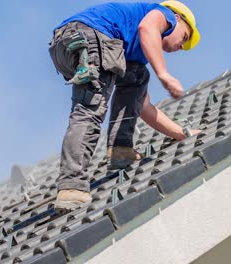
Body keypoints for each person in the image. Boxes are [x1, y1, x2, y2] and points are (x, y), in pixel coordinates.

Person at [48, 1, 201, 212]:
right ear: (177, 18)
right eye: (184, 37)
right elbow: (147, 27)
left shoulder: (133, 49)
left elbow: (143, 106)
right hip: (92, 37)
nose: (181, 46)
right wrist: (164, 73)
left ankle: (120, 149)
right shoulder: (164, 14)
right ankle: (72, 186)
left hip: (65, 44)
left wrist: (181, 133)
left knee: (137, 77)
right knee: (90, 112)